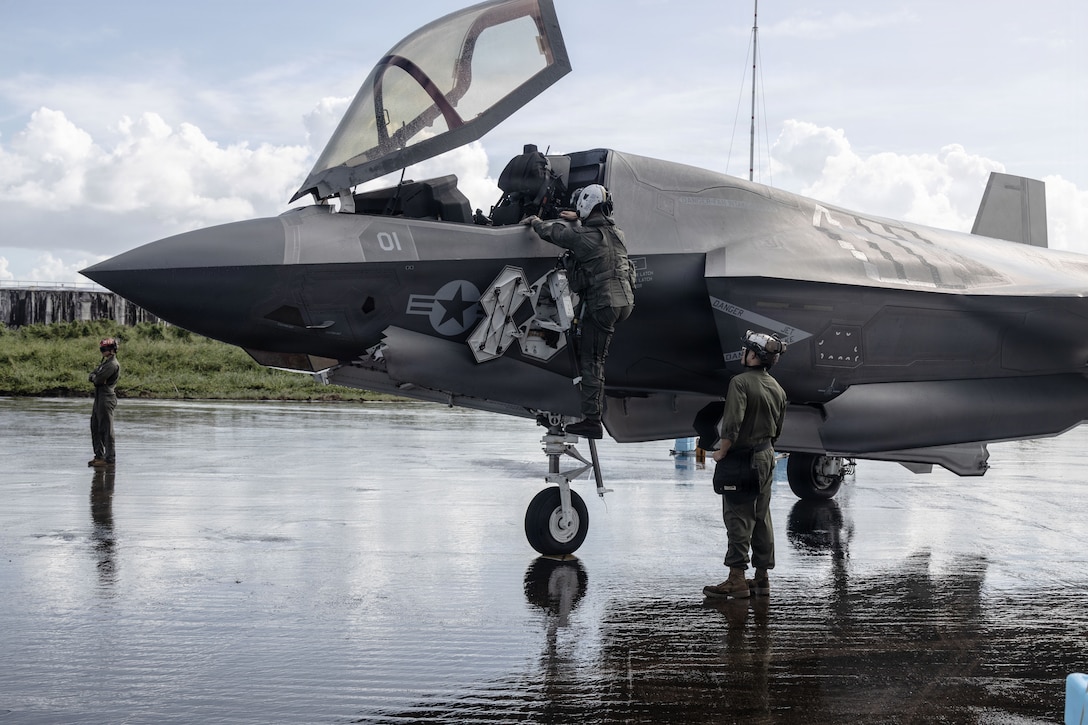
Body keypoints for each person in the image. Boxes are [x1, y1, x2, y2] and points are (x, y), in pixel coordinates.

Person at [522, 184, 635, 439]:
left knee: (593, 361)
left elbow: (558, 235)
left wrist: (537, 222)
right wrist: (580, 218)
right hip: (623, 301)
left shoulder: (584, 237)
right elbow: (597, 229)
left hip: (604, 304)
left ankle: (592, 421)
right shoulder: (617, 234)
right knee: (598, 355)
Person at [703, 330, 787, 600]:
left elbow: (732, 425)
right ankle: (762, 578)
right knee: (762, 516)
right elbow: (778, 431)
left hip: (741, 459)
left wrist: (720, 452)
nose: (743, 353)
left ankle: (736, 579)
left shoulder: (739, 383)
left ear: (753, 355)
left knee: (738, 516)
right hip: (766, 457)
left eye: (746, 349)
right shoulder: (778, 388)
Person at [88, 337, 120, 468]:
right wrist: (95, 376)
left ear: (112, 350)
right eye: (101, 349)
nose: (102, 351)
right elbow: (92, 375)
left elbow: (97, 379)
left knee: (106, 429)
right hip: (99, 397)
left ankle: (109, 458)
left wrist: (95, 377)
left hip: (106, 398)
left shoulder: (112, 365)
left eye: (104, 349)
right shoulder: (105, 363)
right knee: (95, 427)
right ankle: (99, 456)